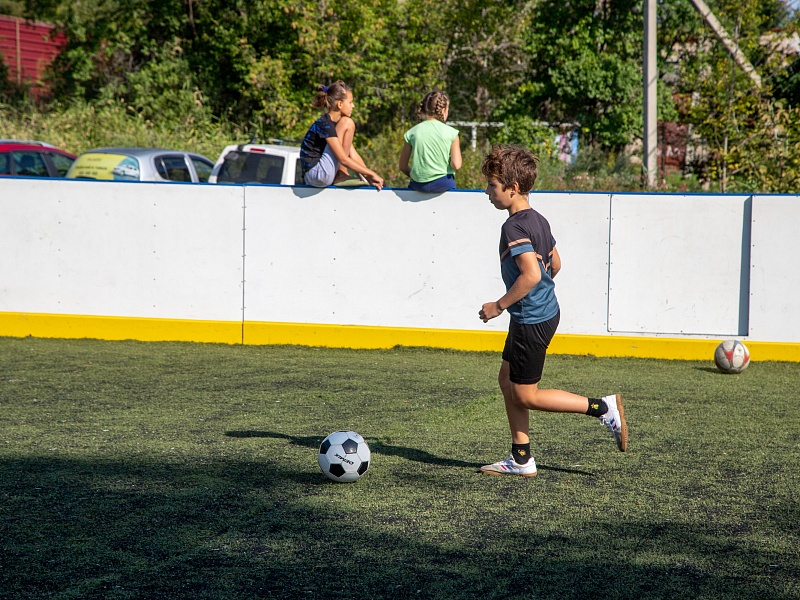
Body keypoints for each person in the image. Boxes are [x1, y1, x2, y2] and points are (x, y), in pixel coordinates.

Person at [477, 144, 627, 477]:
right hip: (540, 313)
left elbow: (532, 274)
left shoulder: (513, 227)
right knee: (507, 380)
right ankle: (520, 458)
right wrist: (538, 294)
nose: (487, 191)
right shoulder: (537, 219)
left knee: (526, 395)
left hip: (530, 319)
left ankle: (602, 408)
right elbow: (555, 264)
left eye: (492, 185)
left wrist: (498, 306)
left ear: (513, 188)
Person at [300, 81, 384, 190]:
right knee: (348, 122)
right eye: (350, 102)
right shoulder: (325, 124)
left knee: (346, 123)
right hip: (317, 173)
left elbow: (352, 154)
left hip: (317, 175)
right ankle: (341, 173)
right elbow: (343, 159)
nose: (353, 106)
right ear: (340, 104)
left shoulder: (336, 126)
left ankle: (341, 173)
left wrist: (369, 177)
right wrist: (372, 173)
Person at [399, 91, 462, 192]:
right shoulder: (452, 133)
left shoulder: (412, 132)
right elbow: (456, 165)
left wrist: (416, 177)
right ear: (443, 110)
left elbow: (402, 166)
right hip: (444, 184)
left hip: (418, 185)